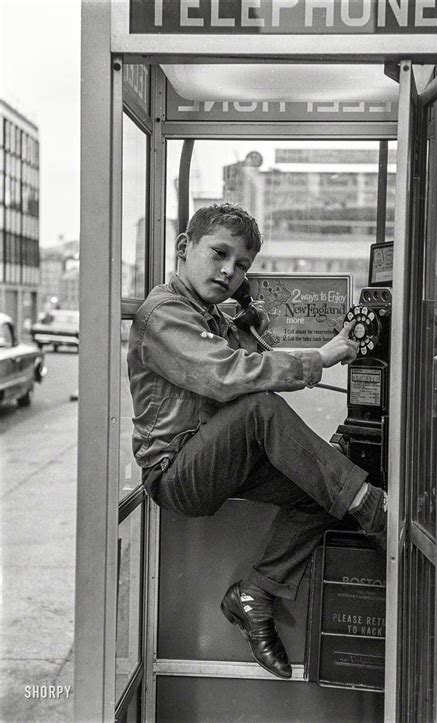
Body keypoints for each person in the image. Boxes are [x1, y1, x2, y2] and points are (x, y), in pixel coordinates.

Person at [127, 203, 387, 680]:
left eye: (242, 264)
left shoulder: (211, 319)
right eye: (219, 254)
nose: (229, 271)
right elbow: (231, 379)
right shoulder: (164, 314)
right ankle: (373, 508)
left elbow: (248, 367)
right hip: (175, 474)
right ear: (184, 248)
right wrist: (321, 358)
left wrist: (251, 329)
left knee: (322, 484)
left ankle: (256, 593)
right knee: (260, 409)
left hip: (217, 460)